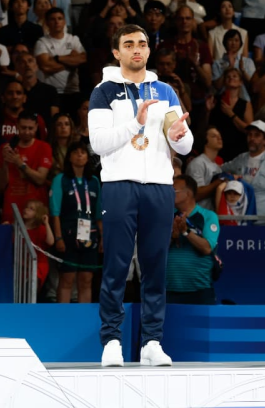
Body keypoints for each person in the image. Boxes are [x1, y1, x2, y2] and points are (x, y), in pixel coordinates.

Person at [91, 24, 192, 367]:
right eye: (128, 44)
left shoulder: (165, 91)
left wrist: (179, 137)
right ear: (116, 52)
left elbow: (185, 143)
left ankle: (151, 341)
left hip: (160, 187)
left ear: (149, 51)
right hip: (119, 184)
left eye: (143, 44)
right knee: (116, 266)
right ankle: (111, 341)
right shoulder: (103, 92)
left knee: (155, 268)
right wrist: (136, 123)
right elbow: (98, 143)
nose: (137, 49)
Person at [50, 141, 102, 304]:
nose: (80, 155)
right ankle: (62, 317)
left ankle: (83, 318)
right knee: (67, 277)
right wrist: (58, 238)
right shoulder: (61, 179)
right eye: (76, 152)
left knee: (86, 278)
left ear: (88, 157)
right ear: (69, 157)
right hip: (68, 233)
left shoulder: (94, 181)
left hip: (90, 234)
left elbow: (99, 212)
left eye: (83, 152)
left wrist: (103, 238)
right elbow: (55, 211)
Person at [167, 175, 220, 305]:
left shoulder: (208, 216)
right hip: (168, 289)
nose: (169, 194)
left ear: (188, 193)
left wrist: (186, 231)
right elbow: (156, 250)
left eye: (174, 190)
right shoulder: (166, 215)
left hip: (200, 290)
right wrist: (173, 236)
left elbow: (207, 248)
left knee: (200, 325)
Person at [0, 111, 52, 224]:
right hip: (11, 209)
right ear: (16, 126)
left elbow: (40, 179)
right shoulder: (5, 148)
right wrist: (6, 163)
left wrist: (20, 163)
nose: (27, 132)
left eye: (30, 128)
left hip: (36, 212)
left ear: (36, 127)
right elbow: (2, 185)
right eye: (23, 128)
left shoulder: (44, 147)